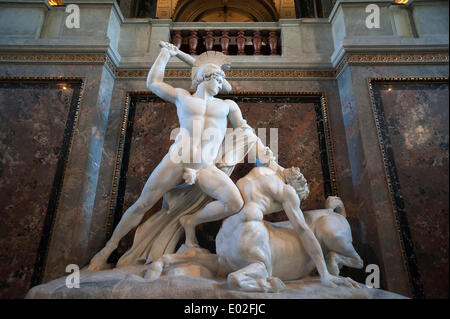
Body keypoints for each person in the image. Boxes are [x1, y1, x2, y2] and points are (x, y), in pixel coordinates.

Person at [88, 42, 266, 270]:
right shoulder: (183, 97)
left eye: (222, 81)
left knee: (235, 202)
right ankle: (106, 251)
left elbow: (245, 130)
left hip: (204, 167)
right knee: (143, 203)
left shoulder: (227, 106)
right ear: (203, 77)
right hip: (177, 160)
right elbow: (153, 83)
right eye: (217, 79)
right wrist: (165, 54)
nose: (221, 85)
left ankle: (190, 220)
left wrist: (263, 153)